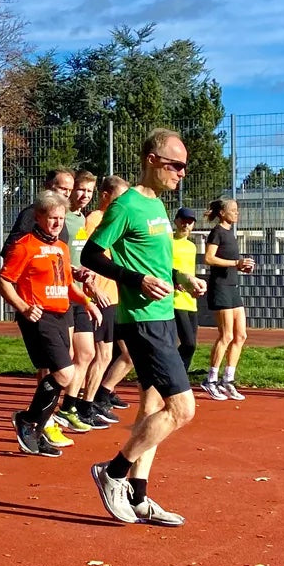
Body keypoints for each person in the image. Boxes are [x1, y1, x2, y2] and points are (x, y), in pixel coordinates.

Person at [82, 128, 195, 527]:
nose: (181, 173)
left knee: (153, 407)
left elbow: (156, 262)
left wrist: (180, 278)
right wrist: (136, 280)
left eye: (184, 167)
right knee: (182, 409)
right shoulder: (126, 205)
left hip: (163, 315)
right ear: (152, 160)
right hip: (142, 321)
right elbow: (91, 254)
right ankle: (112, 473)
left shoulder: (158, 207)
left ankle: (139, 494)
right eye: (175, 165)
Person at [0, 190, 101, 457]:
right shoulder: (25, 245)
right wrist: (22, 306)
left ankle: (37, 429)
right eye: (52, 217)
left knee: (61, 374)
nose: (57, 223)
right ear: (39, 217)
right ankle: (27, 421)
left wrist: (87, 302)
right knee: (65, 374)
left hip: (61, 314)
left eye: (61, 218)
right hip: (38, 317)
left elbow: (66, 284)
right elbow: (3, 282)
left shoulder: (61, 248)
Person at [56, 170, 114, 433]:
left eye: (88, 192)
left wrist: (87, 280)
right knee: (65, 357)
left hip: (81, 292)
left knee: (88, 353)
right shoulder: (61, 217)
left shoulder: (80, 220)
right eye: (80, 190)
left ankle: (69, 407)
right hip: (62, 293)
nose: (83, 196)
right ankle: (48, 412)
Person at [84, 175, 130, 417]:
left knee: (120, 354)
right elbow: (89, 256)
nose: (123, 203)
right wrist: (93, 291)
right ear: (105, 197)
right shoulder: (95, 220)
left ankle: (100, 394)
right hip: (99, 297)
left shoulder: (116, 219)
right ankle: (85, 403)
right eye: (119, 198)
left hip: (115, 297)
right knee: (98, 355)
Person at [201, 198, 254, 401]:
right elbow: (209, 258)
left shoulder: (230, 233)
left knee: (241, 336)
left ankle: (227, 380)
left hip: (232, 287)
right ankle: (210, 380)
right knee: (226, 335)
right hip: (220, 288)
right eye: (232, 210)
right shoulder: (217, 232)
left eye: (237, 210)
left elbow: (233, 263)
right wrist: (235, 262)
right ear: (222, 213)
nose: (236, 213)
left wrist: (243, 266)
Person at [170, 208, 205, 377]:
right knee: (188, 343)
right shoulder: (167, 241)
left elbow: (190, 272)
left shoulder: (191, 246)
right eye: (183, 220)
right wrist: (175, 281)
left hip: (190, 300)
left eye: (190, 222)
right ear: (176, 221)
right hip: (173, 300)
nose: (186, 224)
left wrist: (194, 287)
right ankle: (176, 376)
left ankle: (178, 375)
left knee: (191, 345)